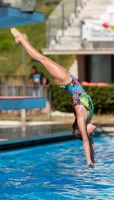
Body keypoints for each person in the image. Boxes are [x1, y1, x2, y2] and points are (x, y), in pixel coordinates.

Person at [11, 28, 96, 169]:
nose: (94, 133)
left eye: (91, 134)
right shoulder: (88, 118)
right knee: (43, 59)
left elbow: (86, 142)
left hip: (66, 81)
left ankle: (21, 39)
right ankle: (22, 41)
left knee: (41, 59)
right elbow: (91, 142)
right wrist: (93, 162)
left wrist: (87, 161)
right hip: (70, 78)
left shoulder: (82, 118)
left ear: (84, 131)